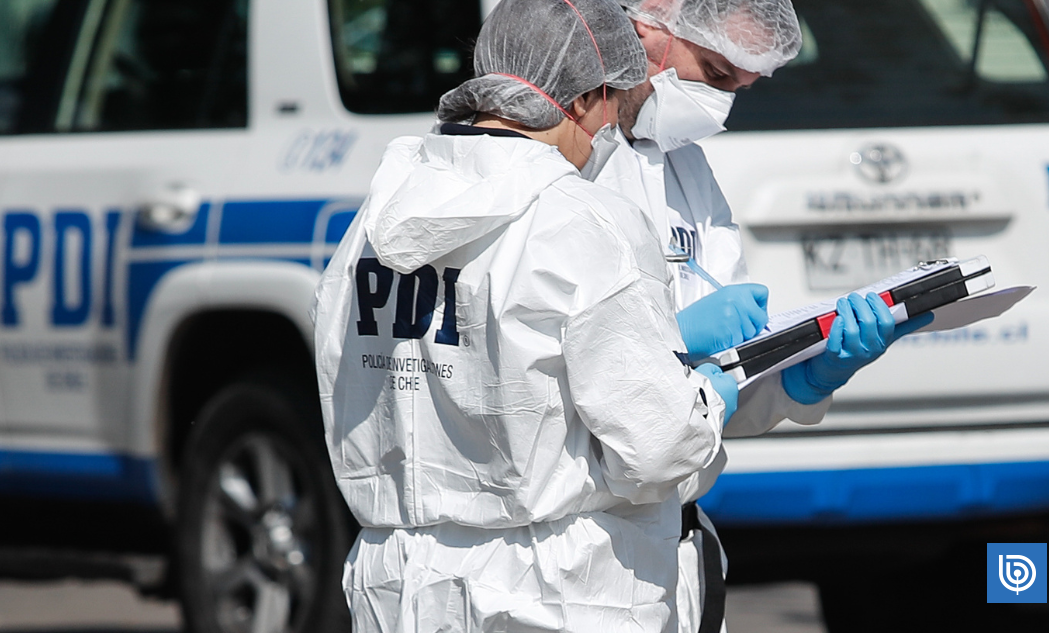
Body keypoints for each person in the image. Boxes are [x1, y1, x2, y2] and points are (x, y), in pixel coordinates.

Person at [312, 0, 739, 630]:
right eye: (612, 109)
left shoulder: (370, 225)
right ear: (586, 98)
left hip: (401, 585)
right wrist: (707, 404)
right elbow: (656, 449)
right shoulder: (586, 222)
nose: (607, 138)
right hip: (556, 588)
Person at [586, 1, 935, 631]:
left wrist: (802, 379)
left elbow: (719, 393)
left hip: (674, 543)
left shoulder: (684, 164)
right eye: (716, 73)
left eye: (742, 87)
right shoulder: (562, 164)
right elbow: (533, 375)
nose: (721, 103)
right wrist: (670, 343)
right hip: (581, 548)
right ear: (644, 26)